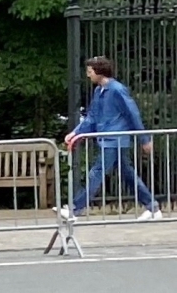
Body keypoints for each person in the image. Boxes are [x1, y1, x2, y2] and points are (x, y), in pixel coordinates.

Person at [64, 55, 161, 220]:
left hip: (114, 138)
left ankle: (74, 209)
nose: (88, 75)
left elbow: (133, 113)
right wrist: (76, 132)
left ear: (100, 72)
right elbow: (92, 116)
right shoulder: (99, 90)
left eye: (90, 71)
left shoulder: (116, 89)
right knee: (128, 174)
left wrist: (144, 138)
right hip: (109, 138)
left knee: (96, 172)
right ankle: (152, 207)